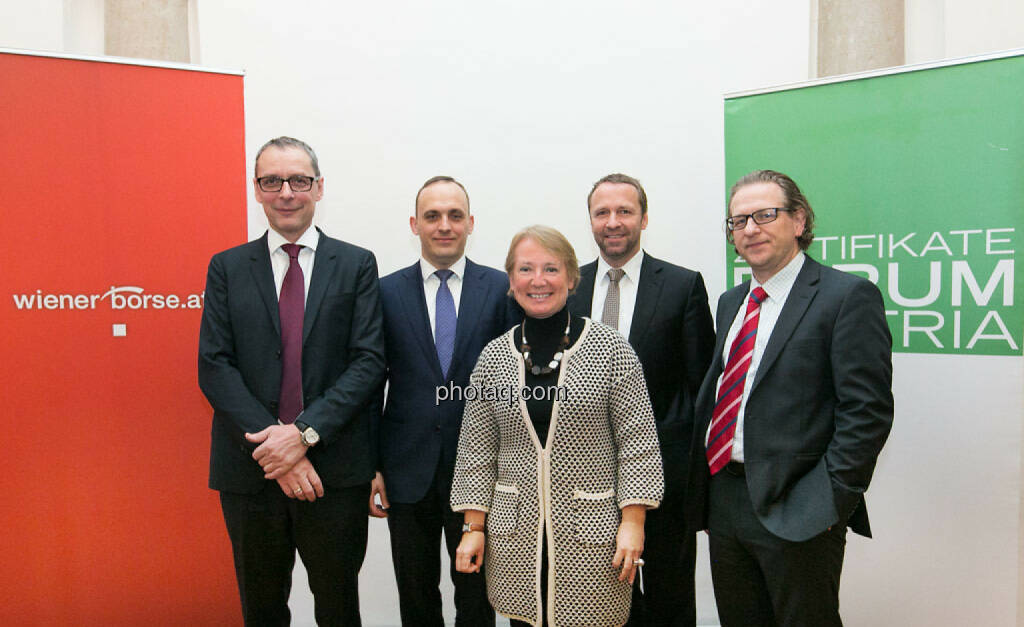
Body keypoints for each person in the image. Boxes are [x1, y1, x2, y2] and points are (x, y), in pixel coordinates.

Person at [688, 170, 894, 626]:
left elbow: (868, 412)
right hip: (726, 501)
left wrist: (827, 502)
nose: (751, 229)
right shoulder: (730, 302)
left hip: (799, 505)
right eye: (738, 221)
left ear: (799, 221)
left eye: (765, 215)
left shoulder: (845, 296)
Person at [198, 136, 385, 626]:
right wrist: (275, 449)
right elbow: (214, 366)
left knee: (339, 608)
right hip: (250, 472)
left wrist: (302, 435)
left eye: (299, 180)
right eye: (272, 181)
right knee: (261, 609)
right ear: (256, 190)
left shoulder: (357, 264)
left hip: (333, 472)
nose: (286, 192)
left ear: (318, 188)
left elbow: (368, 362)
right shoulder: (227, 267)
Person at [451, 225, 664, 627]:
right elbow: (476, 453)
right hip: (514, 537)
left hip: (594, 536)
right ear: (511, 281)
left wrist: (633, 524)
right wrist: (473, 527)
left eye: (550, 268)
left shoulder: (611, 349)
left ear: (571, 276)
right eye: (525, 269)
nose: (538, 280)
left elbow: (638, 445)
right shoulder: (493, 358)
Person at [568, 173, 714, 626]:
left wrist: (690, 475)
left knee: (670, 601)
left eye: (624, 211)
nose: (613, 222)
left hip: (663, 483)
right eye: (602, 212)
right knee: (599, 606)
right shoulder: (566, 287)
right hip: (583, 482)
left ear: (644, 218)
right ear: (590, 220)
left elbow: (701, 390)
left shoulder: (682, 285)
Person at [371, 176, 515, 626]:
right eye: (432, 216)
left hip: (480, 473)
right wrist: (373, 463)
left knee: (477, 599)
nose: (444, 225)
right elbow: (371, 382)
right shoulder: (385, 292)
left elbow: (513, 386)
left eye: (455, 215)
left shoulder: (501, 288)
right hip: (405, 470)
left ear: (470, 223)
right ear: (414, 224)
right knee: (415, 595)